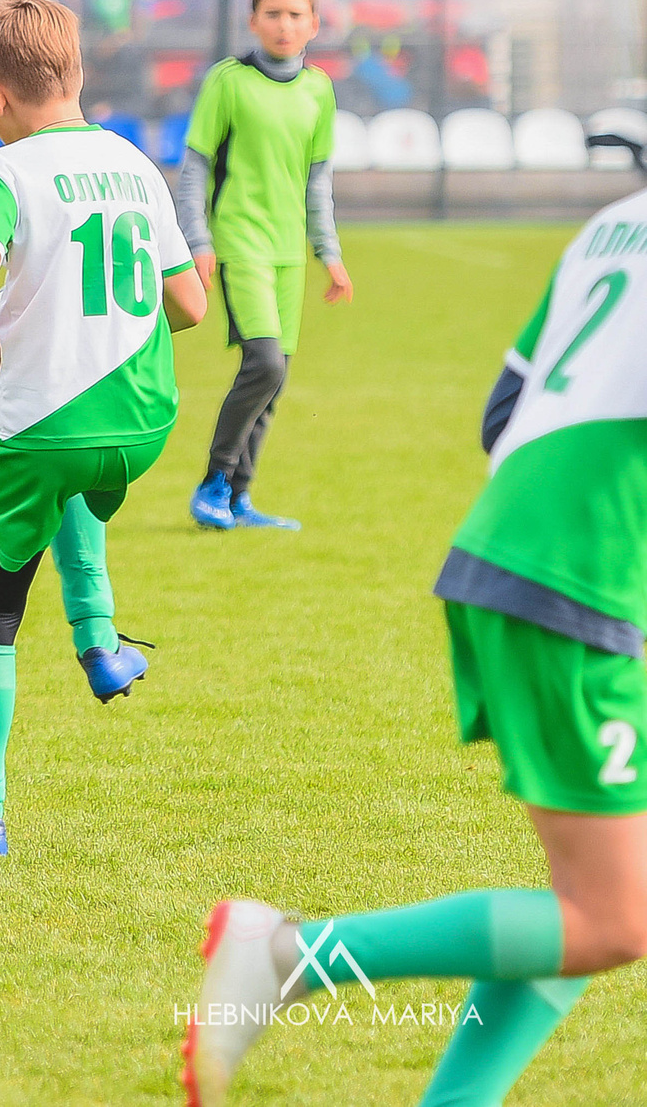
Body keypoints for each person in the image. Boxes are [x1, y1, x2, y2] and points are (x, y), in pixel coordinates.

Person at [184, 190, 647, 1105]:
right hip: (581, 575)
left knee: (591, 900)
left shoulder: (613, 220)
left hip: (520, 553)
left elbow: (501, 411)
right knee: (611, 917)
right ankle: (287, 955)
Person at [0, 0, 205, 855]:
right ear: (75, 72)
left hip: (48, 427)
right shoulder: (134, 162)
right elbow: (190, 305)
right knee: (75, 475)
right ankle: (100, 644)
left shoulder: (0, 173)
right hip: (145, 422)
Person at [175, 0, 351, 534]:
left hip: (288, 254)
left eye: (296, 14)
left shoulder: (319, 89)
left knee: (275, 381)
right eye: (273, 14)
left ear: (314, 24)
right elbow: (195, 167)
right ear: (253, 21)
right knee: (265, 363)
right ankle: (213, 481)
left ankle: (238, 499)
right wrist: (198, 240)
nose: (284, 25)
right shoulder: (227, 81)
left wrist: (329, 253)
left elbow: (317, 180)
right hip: (240, 242)